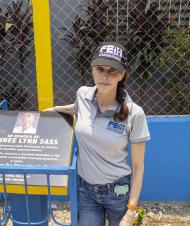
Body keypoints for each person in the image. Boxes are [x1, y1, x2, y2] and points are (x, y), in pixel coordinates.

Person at [44, 42, 150, 226]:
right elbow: (77, 109)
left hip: (118, 191)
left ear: (122, 74)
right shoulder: (83, 95)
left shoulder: (134, 113)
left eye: (112, 71)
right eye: (100, 69)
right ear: (92, 69)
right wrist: (54, 109)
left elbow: (138, 167)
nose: (105, 76)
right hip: (86, 191)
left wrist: (131, 210)